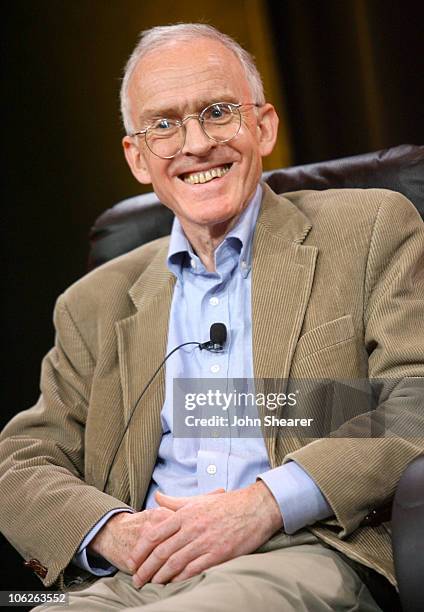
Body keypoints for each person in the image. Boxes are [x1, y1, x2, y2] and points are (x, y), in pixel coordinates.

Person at [0, 23, 423, 612]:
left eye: (219, 112)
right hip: (135, 577)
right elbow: (20, 462)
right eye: (164, 125)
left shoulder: (371, 229)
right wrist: (117, 533)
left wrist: (264, 503)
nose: (195, 143)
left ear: (264, 126)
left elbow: (414, 399)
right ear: (138, 157)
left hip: (302, 551)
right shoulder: (94, 303)